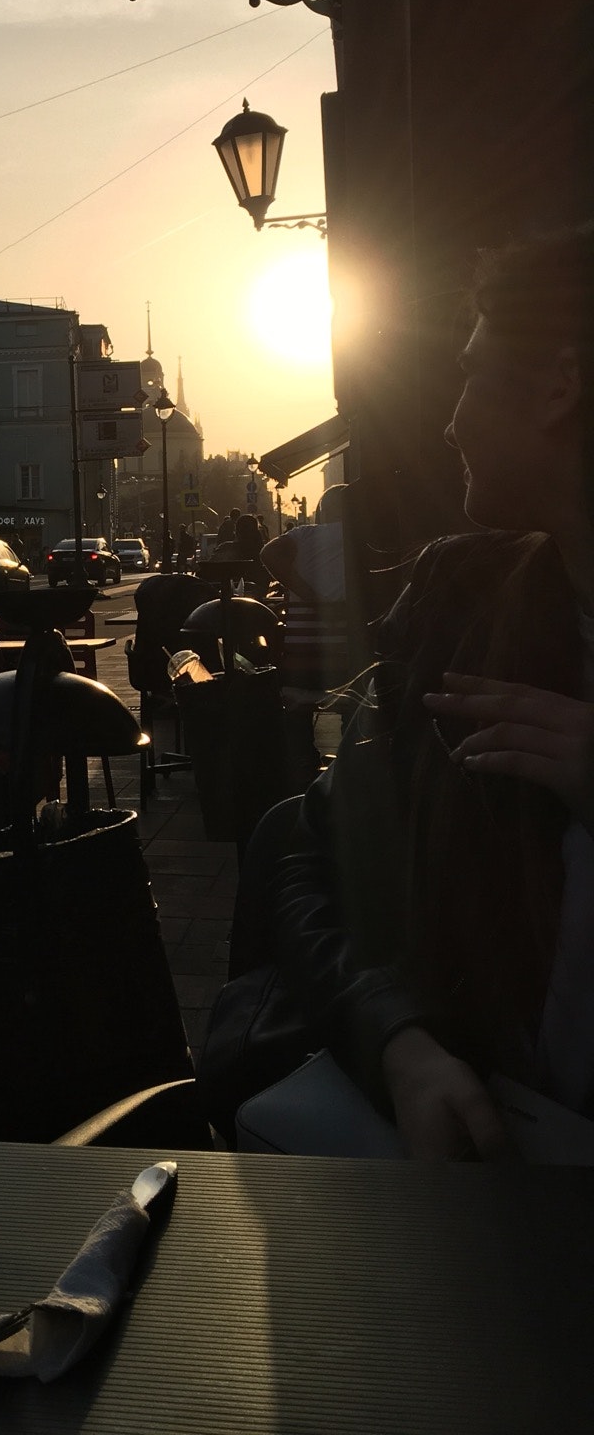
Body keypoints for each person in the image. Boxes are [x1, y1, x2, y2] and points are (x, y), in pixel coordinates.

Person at [253, 226, 594, 1161]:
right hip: (474, 1166)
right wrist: (399, 1043)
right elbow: (308, 855)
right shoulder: (458, 601)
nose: (449, 423)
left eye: (471, 375)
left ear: (560, 387)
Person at [262, 485, 351, 786]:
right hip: (346, 659)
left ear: (321, 512)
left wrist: (310, 597)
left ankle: (302, 775)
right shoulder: (364, 537)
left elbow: (267, 553)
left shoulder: (304, 536)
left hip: (302, 657)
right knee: (352, 711)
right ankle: (346, 773)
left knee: (296, 714)